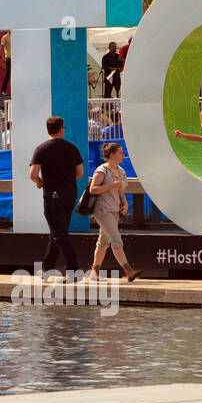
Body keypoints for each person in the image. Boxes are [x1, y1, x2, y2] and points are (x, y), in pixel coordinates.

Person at [28, 116, 85, 280]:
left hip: (52, 195)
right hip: (70, 194)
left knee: (59, 233)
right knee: (59, 231)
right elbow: (79, 173)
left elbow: (32, 174)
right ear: (61, 129)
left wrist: (39, 181)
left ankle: (74, 269)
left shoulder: (41, 149)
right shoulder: (72, 148)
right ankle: (47, 268)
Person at [87, 142, 140, 282]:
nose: (123, 155)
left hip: (114, 210)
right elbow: (93, 189)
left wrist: (125, 202)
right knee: (116, 240)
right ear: (112, 155)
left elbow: (120, 191)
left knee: (103, 241)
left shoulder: (121, 171)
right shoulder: (102, 169)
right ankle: (128, 270)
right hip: (102, 210)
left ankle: (94, 272)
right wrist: (111, 185)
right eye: (120, 152)